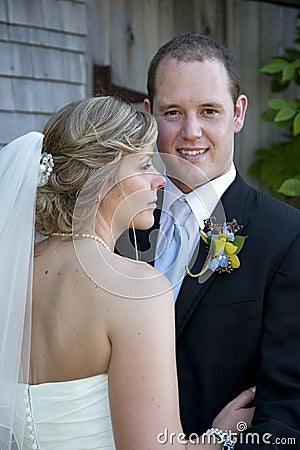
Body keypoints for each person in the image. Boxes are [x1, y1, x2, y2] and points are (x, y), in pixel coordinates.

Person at [0, 95, 255, 450]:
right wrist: (221, 435)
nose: (159, 180)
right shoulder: (136, 289)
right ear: (100, 176)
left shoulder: (10, 275)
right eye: (144, 165)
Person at [118, 34, 300, 447]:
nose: (191, 132)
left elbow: (288, 411)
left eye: (209, 111)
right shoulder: (118, 222)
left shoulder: (287, 238)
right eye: (172, 112)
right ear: (149, 115)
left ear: (238, 113)